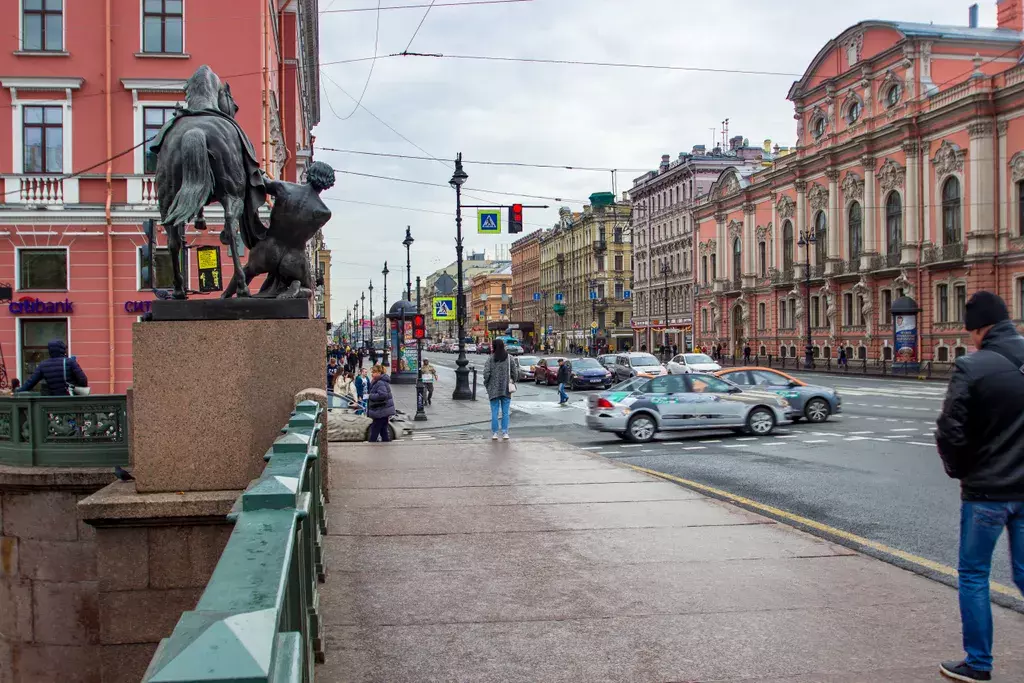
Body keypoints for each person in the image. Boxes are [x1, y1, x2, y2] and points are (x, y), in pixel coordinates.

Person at [935, 292, 1024, 683]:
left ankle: (979, 665)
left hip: (986, 493)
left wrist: (960, 471)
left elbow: (950, 430)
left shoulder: (972, 367)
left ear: (979, 329)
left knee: (973, 575)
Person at [17, 340, 88, 395]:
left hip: (52, 402)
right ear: (63, 349)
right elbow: (83, 380)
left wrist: (17, 391)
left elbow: (30, 383)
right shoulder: (70, 362)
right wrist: (75, 384)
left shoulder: (43, 365)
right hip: (70, 399)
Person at [483, 339, 513, 440]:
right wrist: (512, 381)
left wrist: (487, 384)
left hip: (493, 389)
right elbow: (515, 372)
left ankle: (495, 433)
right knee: (505, 412)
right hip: (506, 389)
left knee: (494, 412)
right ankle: (505, 433)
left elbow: (486, 373)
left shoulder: (490, 359)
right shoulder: (509, 358)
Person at [366, 364, 395, 442]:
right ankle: (386, 446)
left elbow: (383, 395)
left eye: (374, 372)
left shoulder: (380, 382)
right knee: (383, 431)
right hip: (383, 410)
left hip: (380, 411)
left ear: (379, 373)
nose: (372, 374)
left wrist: (370, 396)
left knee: (375, 431)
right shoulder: (379, 381)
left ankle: (371, 446)